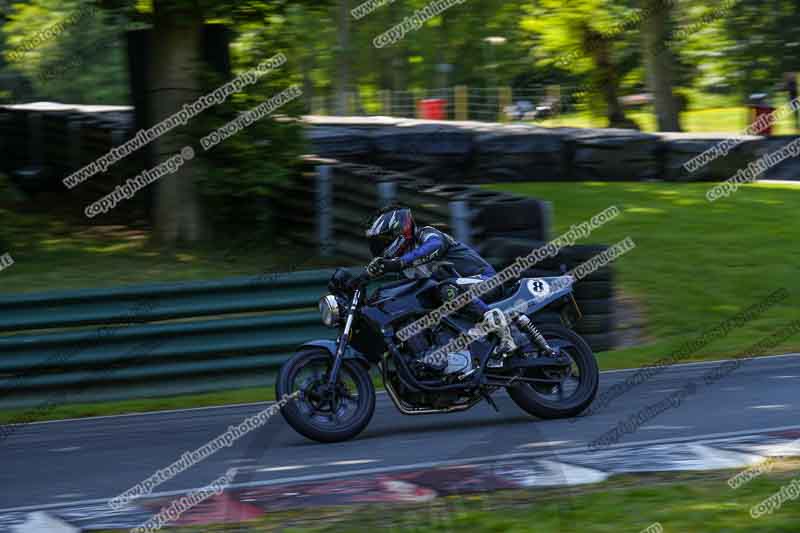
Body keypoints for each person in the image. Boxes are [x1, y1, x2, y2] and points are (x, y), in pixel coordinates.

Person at [364, 206, 517, 369]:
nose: (380, 246)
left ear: (399, 230)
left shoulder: (426, 234)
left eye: (384, 240)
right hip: (458, 296)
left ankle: (501, 329)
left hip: (485, 282)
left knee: (447, 287)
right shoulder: (404, 264)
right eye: (377, 242)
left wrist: (398, 263)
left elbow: (434, 246)